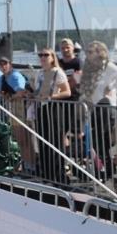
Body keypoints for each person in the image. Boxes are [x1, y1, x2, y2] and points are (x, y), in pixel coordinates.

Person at [79, 41, 117, 182]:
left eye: (91, 51)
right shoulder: (89, 69)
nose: (88, 54)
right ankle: (105, 171)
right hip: (93, 110)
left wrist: (112, 88)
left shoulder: (108, 66)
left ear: (99, 52)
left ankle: (108, 172)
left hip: (106, 110)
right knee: (97, 143)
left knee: (103, 142)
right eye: (87, 52)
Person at [32, 48, 71, 184]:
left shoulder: (57, 72)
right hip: (41, 109)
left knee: (55, 143)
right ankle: (47, 175)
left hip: (53, 109)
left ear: (52, 57)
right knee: (43, 143)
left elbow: (67, 92)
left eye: (46, 55)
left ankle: (59, 176)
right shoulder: (40, 72)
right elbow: (37, 91)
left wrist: (51, 96)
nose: (43, 57)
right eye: (40, 55)